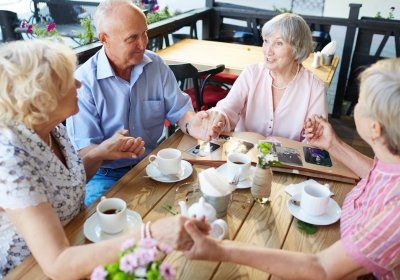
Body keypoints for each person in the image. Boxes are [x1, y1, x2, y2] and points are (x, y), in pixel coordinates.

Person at [0, 39, 209, 279]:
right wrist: (152, 234)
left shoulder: (52, 129)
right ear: (41, 96)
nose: (78, 83)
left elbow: (66, 183)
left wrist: (100, 152)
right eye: (69, 81)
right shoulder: (10, 157)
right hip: (31, 270)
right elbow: (58, 264)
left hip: (76, 240)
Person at [183, 58, 400, 279]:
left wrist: (220, 249)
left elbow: (323, 269)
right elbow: (377, 174)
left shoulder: (396, 214)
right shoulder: (392, 161)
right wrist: (333, 144)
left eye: (360, 102)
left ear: (375, 128)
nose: (355, 106)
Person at [66, 0, 208, 206]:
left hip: (150, 164)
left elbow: (181, 112)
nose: (143, 44)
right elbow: (84, 152)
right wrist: (109, 148)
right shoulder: (84, 82)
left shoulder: (155, 65)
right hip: (103, 174)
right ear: (104, 38)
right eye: (132, 38)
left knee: (192, 203)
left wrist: (199, 125)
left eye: (144, 33)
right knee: (109, 228)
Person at [196, 13, 328, 142]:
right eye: (266, 41)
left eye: (278, 43)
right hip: (244, 158)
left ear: (297, 48)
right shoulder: (252, 73)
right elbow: (227, 108)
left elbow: (316, 140)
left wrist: (314, 135)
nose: (268, 51)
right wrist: (219, 116)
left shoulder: (314, 87)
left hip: (288, 162)